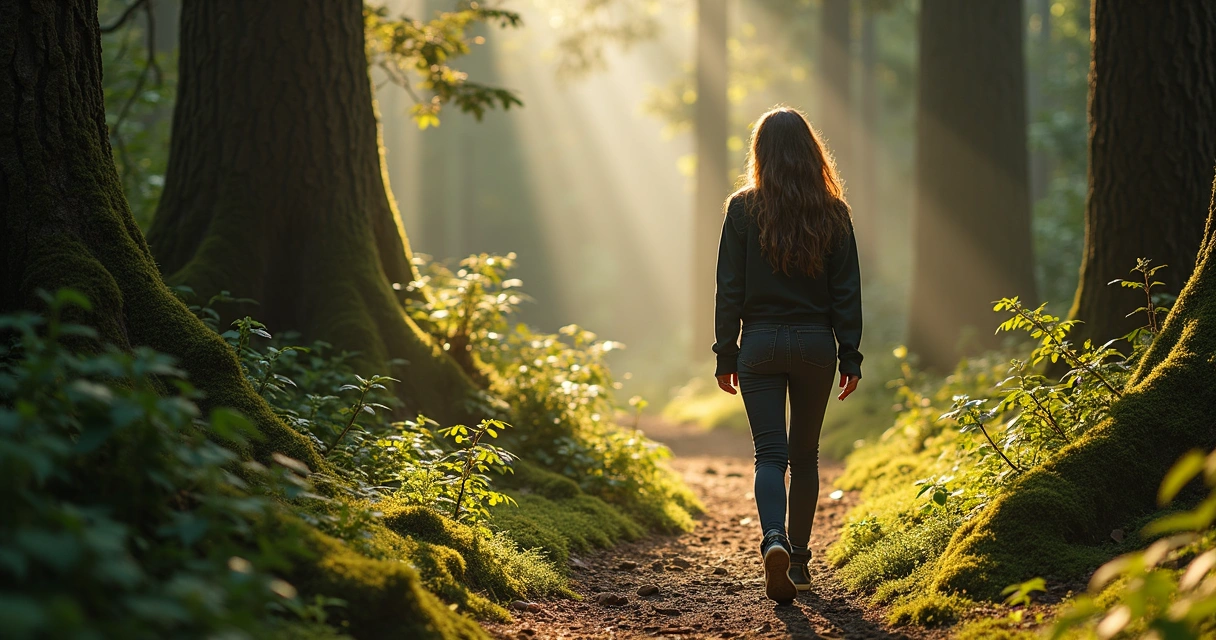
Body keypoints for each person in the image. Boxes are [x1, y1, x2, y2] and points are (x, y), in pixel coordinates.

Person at [712, 106, 863, 604]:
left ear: (760, 153)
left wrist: (725, 353)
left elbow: (728, 288)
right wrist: (851, 357)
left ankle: (772, 538)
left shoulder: (742, 208)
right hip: (816, 344)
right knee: (806, 455)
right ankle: (798, 563)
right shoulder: (833, 212)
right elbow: (846, 292)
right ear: (810, 152)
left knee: (770, 455)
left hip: (758, 344)